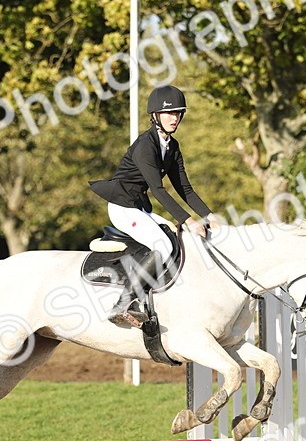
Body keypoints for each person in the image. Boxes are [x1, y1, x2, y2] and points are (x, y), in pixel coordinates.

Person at [89, 85, 222, 327]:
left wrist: (209, 215)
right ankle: (123, 304)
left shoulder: (172, 147)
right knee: (161, 244)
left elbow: (185, 189)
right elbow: (159, 191)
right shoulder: (145, 145)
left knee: (173, 235)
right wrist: (189, 220)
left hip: (139, 207)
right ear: (155, 116)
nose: (174, 118)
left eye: (178, 113)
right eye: (169, 113)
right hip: (122, 206)